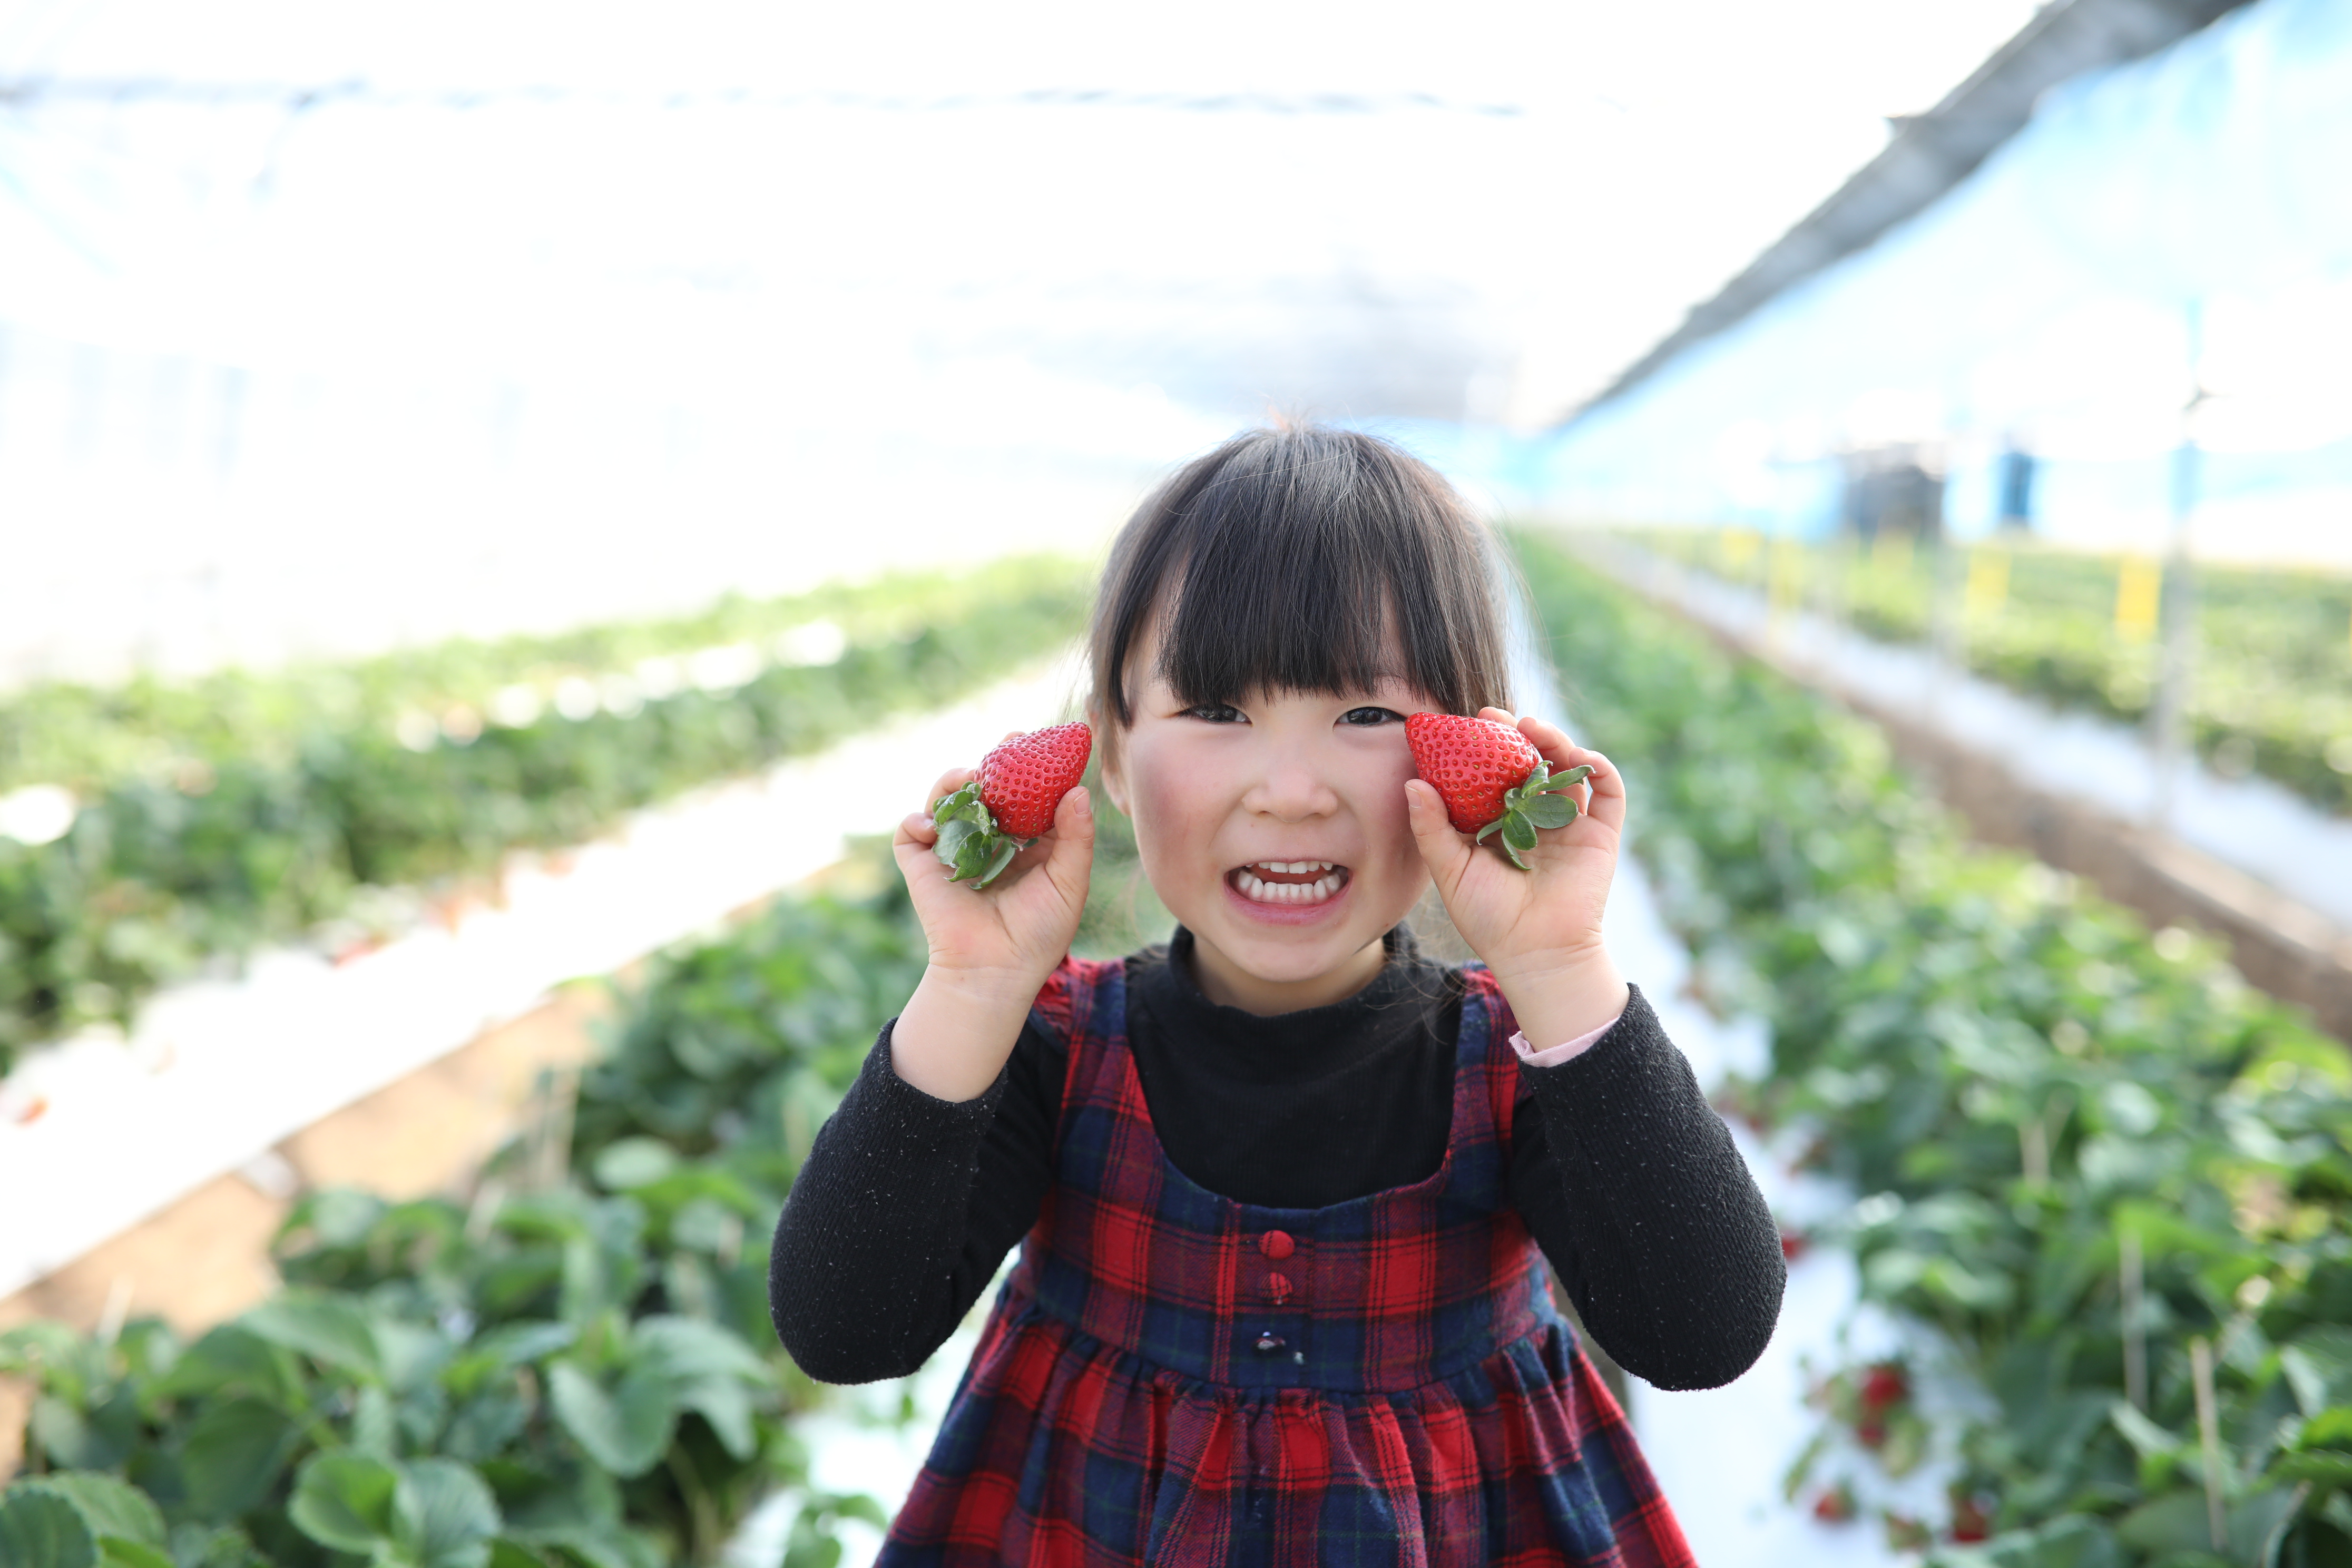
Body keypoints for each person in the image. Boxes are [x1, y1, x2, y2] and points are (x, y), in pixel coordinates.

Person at [769, 426, 1786, 1566]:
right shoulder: (1048, 1043)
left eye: (1365, 717)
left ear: (1477, 749)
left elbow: (1703, 1333)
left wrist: (1558, 963)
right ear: (1111, 750)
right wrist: (970, 981)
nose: (1290, 793)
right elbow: (845, 1329)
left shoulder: (1522, 1058)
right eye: (1217, 712)